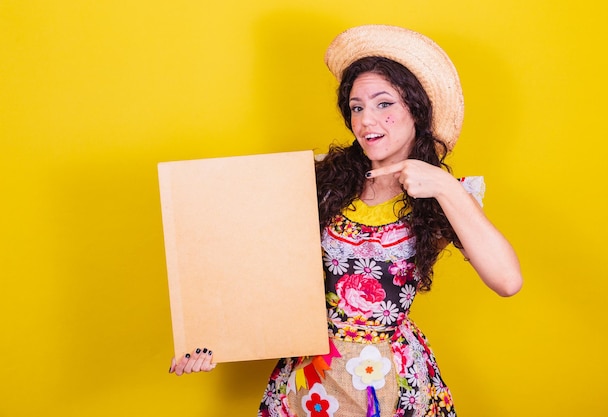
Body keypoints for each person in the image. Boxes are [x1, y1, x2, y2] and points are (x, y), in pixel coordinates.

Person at [169, 24, 522, 417]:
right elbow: (244, 258)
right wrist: (208, 338)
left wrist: (443, 186)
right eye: (357, 107)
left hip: (394, 383)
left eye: (384, 103)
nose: (367, 121)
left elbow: (507, 281)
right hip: (310, 382)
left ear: (417, 110)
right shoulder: (318, 180)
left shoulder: (445, 193)